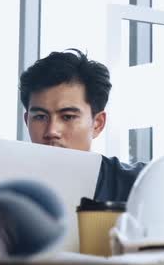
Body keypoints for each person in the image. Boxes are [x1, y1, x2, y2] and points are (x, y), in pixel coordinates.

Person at [19, 49, 146, 202]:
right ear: (27, 121)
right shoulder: (4, 185)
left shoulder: (138, 185)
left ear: (98, 124)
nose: (51, 131)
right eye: (40, 117)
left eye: (68, 117)